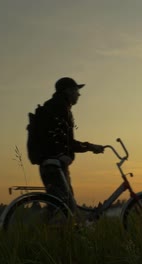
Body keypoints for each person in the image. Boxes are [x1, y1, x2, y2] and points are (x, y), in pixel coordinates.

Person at [37, 77, 104, 214]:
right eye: (76, 90)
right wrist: (90, 147)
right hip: (55, 163)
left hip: (49, 162)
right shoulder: (60, 108)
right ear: (68, 91)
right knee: (65, 209)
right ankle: (38, 233)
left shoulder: (54, 106)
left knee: (61, 207)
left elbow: (62, 140)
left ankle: (41, 232)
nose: (78, 94)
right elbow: (66, 141)